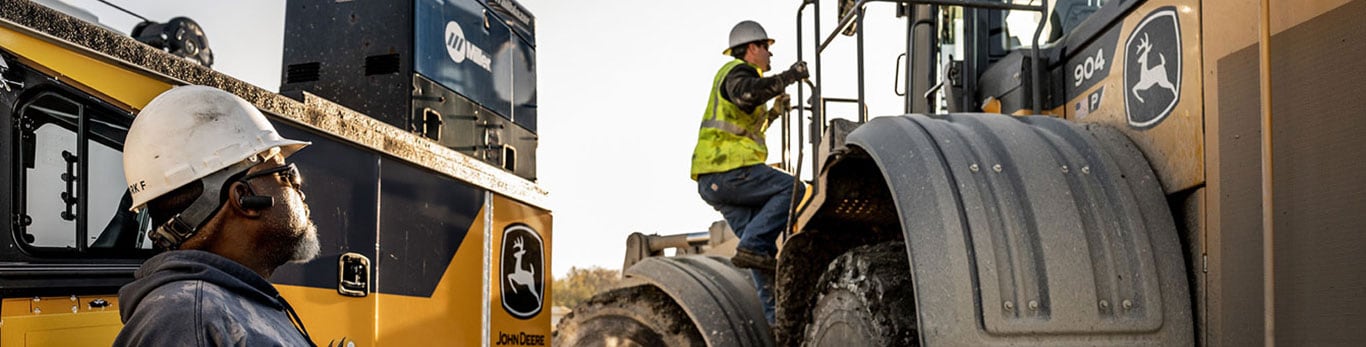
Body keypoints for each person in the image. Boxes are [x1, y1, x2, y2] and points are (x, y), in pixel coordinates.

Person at [113, 85, 321, 346]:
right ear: (244, 197)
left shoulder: (215, 308)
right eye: (286, 175)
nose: (298, 186)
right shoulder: (189, 320)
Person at [690, 20, 808, 323]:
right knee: (793, 189)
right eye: (767, 48)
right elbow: (747, 94)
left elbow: (746, 121)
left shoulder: (739, 80)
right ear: (752, 48)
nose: (770, 55)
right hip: (729, 171)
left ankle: (777, 326)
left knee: (760, 258)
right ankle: (752, 244)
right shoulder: (737, 74)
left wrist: (774, 114)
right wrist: (789, 77)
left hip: (717, 180)